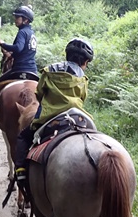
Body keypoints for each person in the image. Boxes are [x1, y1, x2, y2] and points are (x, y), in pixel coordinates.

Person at [12, 38, 94, 192]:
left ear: (67, 55)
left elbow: (39, 93)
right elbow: (82, 98)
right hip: (77, 116)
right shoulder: (83, 78)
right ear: (86, 62)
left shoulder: (49, 70)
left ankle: (21, 171)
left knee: (23, 137)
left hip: (49, 118)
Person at [0, 5, 38, 122]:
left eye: (18, 17)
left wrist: (2, 43)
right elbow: (23, 52)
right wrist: (10, 54)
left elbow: (18, 48)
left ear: (25, 20)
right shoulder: (31, 33)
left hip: (20, 69)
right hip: (32, 71)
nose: (15, 19)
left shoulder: (22, 32)